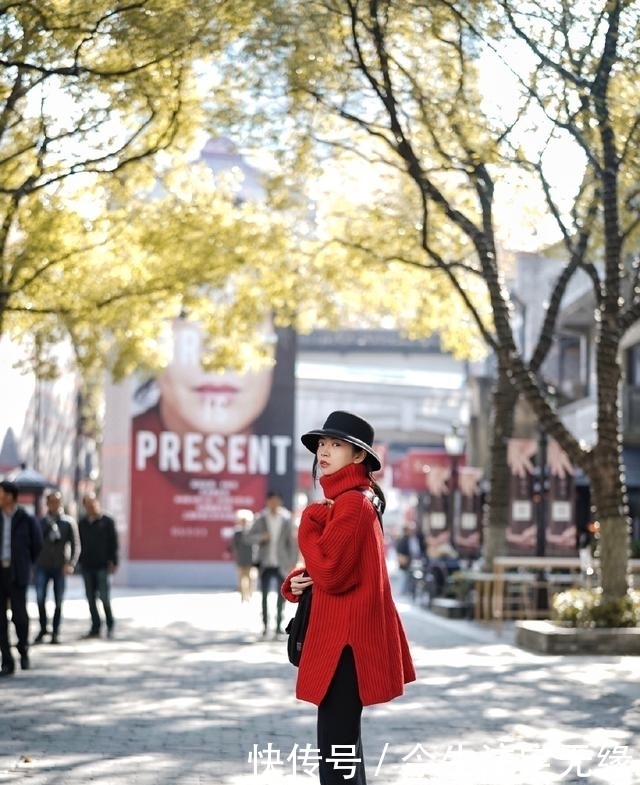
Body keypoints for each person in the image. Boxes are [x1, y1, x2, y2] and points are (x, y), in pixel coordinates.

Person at [281, 411, 415, 785]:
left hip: (345, 649)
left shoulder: (353, 505)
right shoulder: (349, 503)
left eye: (336, 445)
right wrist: (296, 582)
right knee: (342, 751)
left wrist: (307, 524)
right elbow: (343, 570)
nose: (324, 451)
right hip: (344, 645)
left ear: (359, 457)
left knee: (337, 753)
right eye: (322, 444)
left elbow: (334, 575)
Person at [0, 479, 42, 676]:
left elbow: (37, 546)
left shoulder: (26, 518)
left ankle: (23, 648)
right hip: (0, 573)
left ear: (9, 496)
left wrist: (24, 563)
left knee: (20, 617)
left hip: (17, 573)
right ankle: (7, 661)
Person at [34, 490, 80, 644]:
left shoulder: (68, 522)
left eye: (57, 501)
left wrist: (71, 563)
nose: (54, 504)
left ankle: (55, 631)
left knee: (59, 600)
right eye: (51, 501)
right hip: (42, 565)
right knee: (40, 598)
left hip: (60, 566)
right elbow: (34, 543)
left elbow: (75, 545)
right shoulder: (41, 522)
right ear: (47, 504)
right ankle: (43, 628)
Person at [250, 490, 297, 638]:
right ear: (267, 501)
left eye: (277, 501)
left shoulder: (286, 518)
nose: (274, 504)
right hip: (265, 563)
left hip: (281, 563)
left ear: (280, 502)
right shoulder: (261, 518)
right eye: (272, 501)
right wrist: (261, 537)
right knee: (263, 595)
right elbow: (248, 537)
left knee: (281, 595)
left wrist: (292, 562)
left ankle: (278, 627)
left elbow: (292, 542)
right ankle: (265, 627)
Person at [78, 493, 119, 639]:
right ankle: (95, 626)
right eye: (88, 504)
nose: (91, 506)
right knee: (90, 597)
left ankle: (110, 624)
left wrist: (114, 561)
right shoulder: (82, 523)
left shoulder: (107, 521)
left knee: (104, 597)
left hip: (102, 565)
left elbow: (114, 543)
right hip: (87, 565)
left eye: (93, 503)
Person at [228, 508, 256, 602]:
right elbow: (233, 545)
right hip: (240, 558)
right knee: (241, 577)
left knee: (250, 577)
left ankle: (249, 593)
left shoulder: (251, 532)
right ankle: (242, 595)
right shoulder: (237, 533)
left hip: (250, 558)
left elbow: (255, 544)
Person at [395, 521, 427, 597]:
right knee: (404, 579)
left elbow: (423, 548)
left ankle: (415, 592)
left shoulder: (419, 538)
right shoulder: (403, 540)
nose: (412, 531)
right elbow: (400, 552)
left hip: (419, 560)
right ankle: (403, 594)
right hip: (407, 563)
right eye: (411, 530)